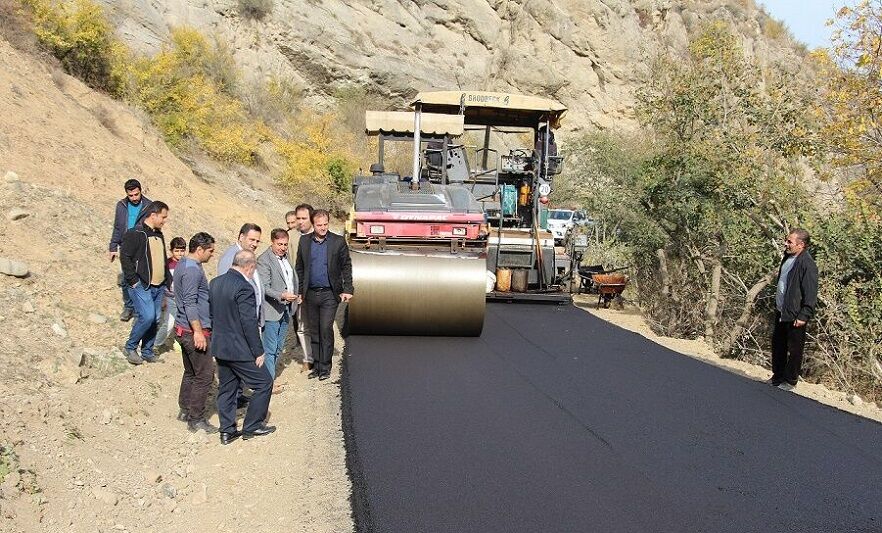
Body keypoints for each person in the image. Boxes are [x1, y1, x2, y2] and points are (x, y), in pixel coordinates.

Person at [210, 250, 275, 444]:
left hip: (221, 347)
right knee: (264, 383)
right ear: (249, 266)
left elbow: (213, 316)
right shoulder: (244, 287)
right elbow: (248, 322)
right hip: (240, 349)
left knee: (227, 388)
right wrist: (259, 351)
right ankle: (252, 426)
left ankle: (226, 431)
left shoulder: (215, 283)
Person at [295, 209, 353, 381]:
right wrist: (300, 292)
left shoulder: (337, 242)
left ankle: (326, 367)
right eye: (319, 225)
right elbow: (300, 267)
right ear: (313, 225)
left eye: (325, 224)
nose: (323, 228)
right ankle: (317, 365)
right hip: (310, 294)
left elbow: (346, 266)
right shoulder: (305, 241)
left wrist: (348, 289)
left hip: (329, 293)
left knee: (325, 328)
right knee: (314, 331)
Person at [174, 232, 218, 434]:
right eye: (210, 251)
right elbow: (190, 303)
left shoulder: (183, 263)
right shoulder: (192, 271)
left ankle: (185, 409)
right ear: (199, 249)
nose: (212, 255)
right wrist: (198, 332)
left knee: (191, 372)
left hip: (183, 329)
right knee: (204, 375)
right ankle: (196, 419)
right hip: (193, 331)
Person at [120, 201, 171, 365]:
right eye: (163, 217)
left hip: (158, 285)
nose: (164, 220)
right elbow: (125, 257)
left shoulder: (158, 234)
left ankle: (147, 351)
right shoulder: (135, 233)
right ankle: (130, 347)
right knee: (147, 316)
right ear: (153, 215)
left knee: (155, 319)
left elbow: (162, 259)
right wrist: (133, 281)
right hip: (141, 284)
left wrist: (167, 281)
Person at [768, 228, 818, 391]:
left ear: (801, 244)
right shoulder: (787, 258)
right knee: (778, 344)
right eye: (786, 240)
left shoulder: (807, 264)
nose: (786, 243)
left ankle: (790, 381)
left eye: (789, 241)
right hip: (782, 310)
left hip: (796, 314)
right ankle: (777, 377)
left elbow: (810, 292)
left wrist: (804, 314)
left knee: (794, 349)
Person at [257, 229, 299, 392]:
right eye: (279, 244)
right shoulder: (264, 260)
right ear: (272, 242)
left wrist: (296, 294)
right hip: (271, 310)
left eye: (285, 245)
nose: (283, 248)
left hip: (286, 309)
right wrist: (282, 295)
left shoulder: (286, 257)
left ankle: (268, 378)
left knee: (278, 346)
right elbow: (265, 287)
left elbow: (290, 278)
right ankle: (267, 384)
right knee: (269, 348)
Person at [109, 179, 152, 321]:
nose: (134, 198)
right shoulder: (121, 206)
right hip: (126, 246)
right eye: (131, 195)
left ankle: (140, 308)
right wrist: (113, 246)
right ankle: (129, 307)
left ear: (141, 191)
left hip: (142, 248)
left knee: (141, 278)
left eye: (136, 194)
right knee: (127, 278)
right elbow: (117, 227)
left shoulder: (149, 206)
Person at [286, 204, 314, 373]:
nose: (300, 221)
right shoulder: (291, 239)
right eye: (298, 218)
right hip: (300, 290)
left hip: (319, 290)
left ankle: (321, 358)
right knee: (303, 327)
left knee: (320, 326)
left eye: (304, 218)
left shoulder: (320, 235)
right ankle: (308, 358)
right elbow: (289, 266)